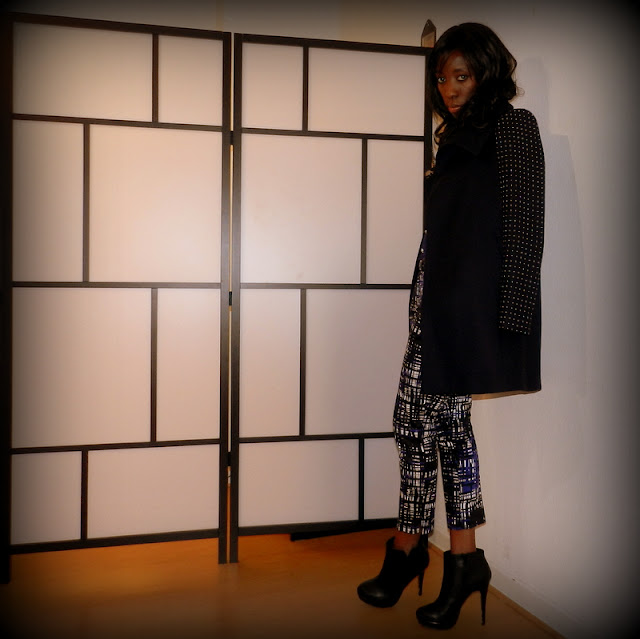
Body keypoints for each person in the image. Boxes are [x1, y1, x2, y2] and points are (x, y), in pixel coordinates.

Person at [357, 22, 545, 630]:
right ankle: (435, 555)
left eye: (460, 75)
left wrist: (511, 321)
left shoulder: (514, 128)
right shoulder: (453, 139)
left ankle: (434, 554)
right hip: (433, 303)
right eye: (441, 78)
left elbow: (526, 228)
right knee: (420, 427)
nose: (448, 88)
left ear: (486, 72)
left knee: (442, 427)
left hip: (471, 309)